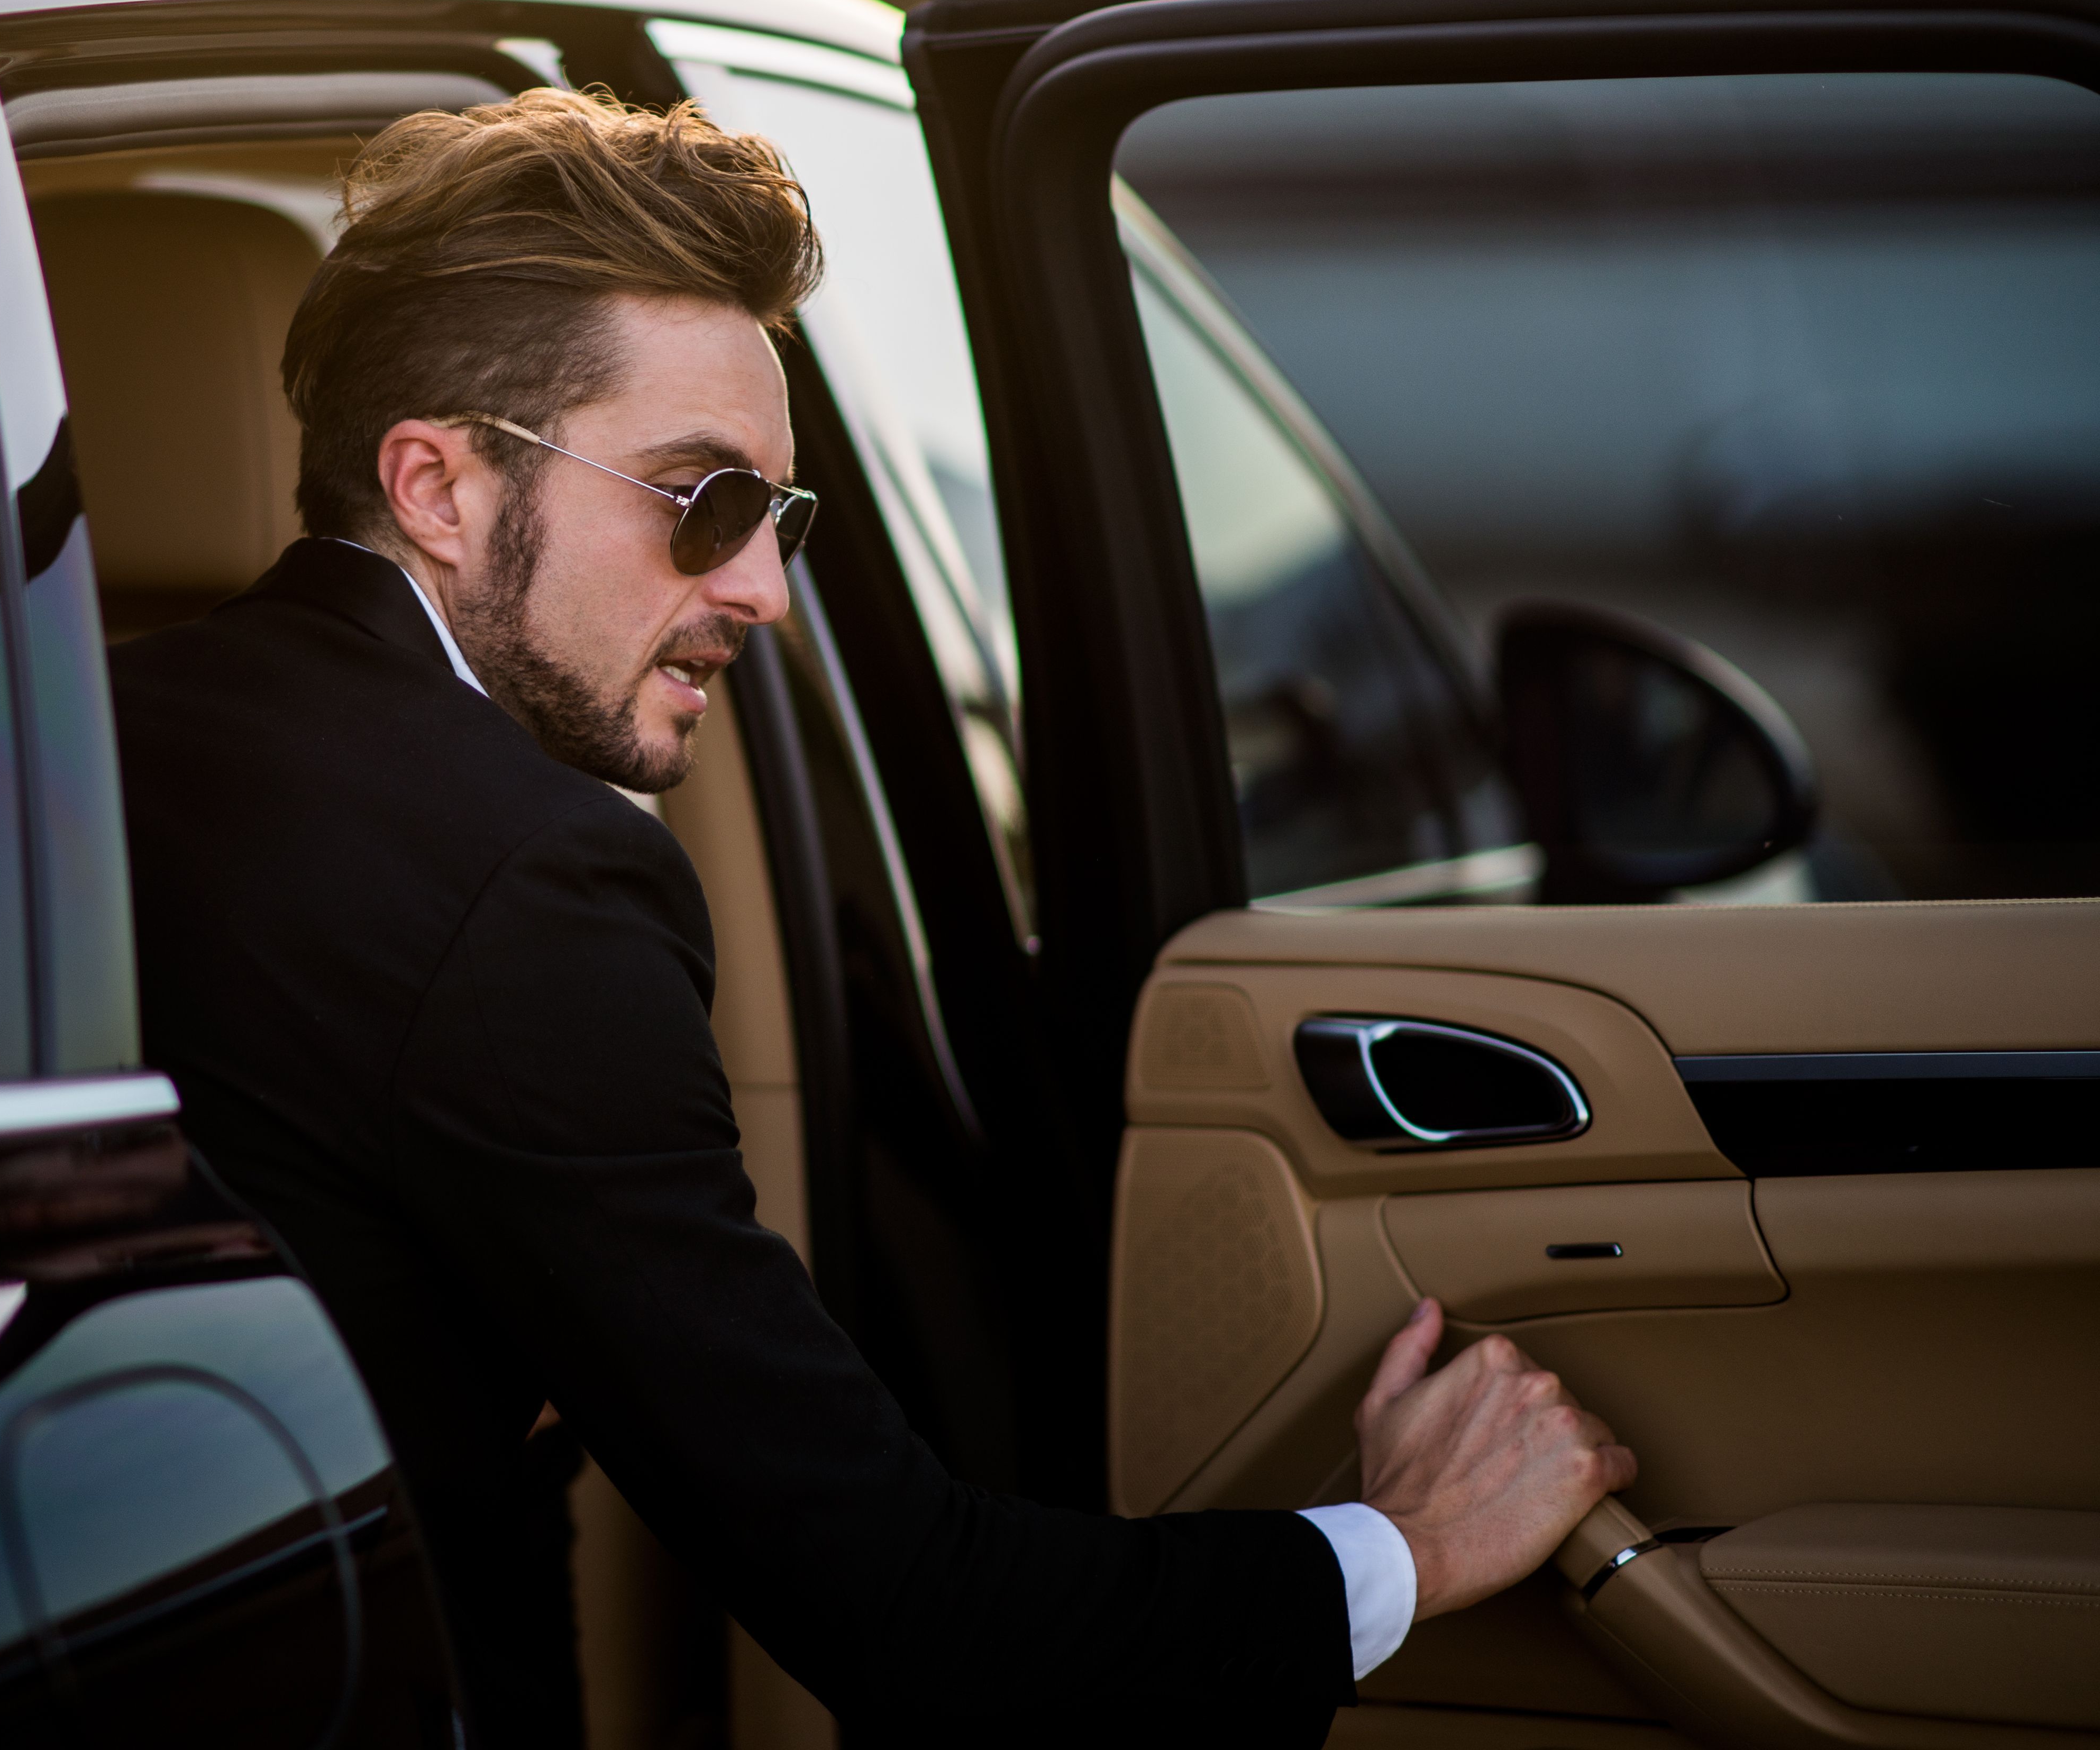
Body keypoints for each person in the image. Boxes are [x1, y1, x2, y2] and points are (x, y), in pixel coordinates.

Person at [108, 88, 1636, 1745]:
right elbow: (910, 1614)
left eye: (782, 516)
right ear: (438, 486)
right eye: (702, 503)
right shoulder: (532, 886)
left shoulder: (78, 747)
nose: (763, 589)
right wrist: (1399, 1549)